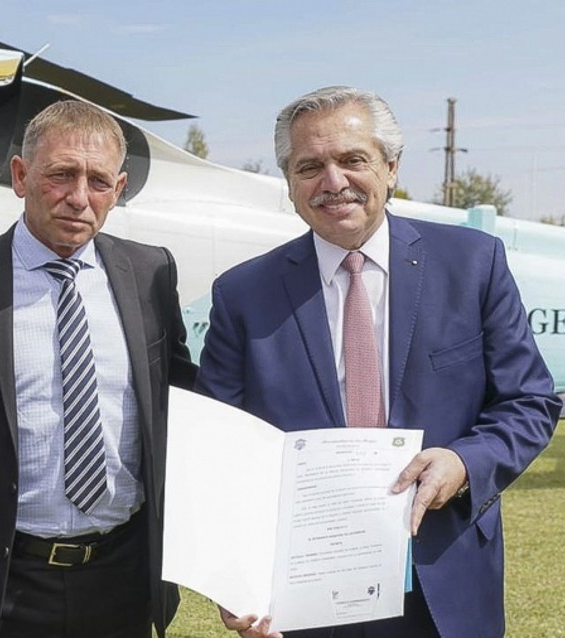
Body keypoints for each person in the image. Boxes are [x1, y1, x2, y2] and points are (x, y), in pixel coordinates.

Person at [197, 86, 561, 638]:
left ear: (391, 168)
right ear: (289, 183)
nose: (333, 181)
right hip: (303, 592)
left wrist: (464, 464)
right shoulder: (242, 294)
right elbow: (221, 448)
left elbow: (528, 401)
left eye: (353, 159)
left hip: (445, 580)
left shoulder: (473, 264)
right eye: (309, 166)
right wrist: (236, 577)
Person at [0, 100, 197, 638]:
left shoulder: (150, 273)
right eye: (61, 174)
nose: (79, 197)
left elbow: (183, 395)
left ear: (119, 188)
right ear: (20, 176)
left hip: (122, 577)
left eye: (99, 181)